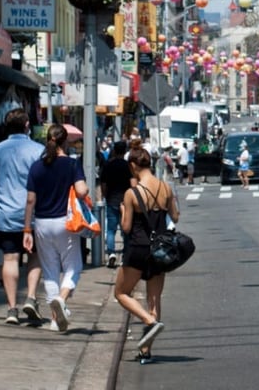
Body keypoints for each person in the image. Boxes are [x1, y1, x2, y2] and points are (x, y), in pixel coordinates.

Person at [114, 141, 180, 362]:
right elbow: (176, 216)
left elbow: (126, 227)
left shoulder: (132, 193)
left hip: (138, 247)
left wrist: (124, 210)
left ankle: (149, 321)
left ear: (133, 166)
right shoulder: (165, 188)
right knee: (155, 298)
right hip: (160, 248)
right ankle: (146, 351)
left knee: (121, 292)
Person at [22, 124, 89, 333]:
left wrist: (26, 230)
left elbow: (30, 200)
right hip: (65, 222)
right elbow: (81, 190)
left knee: (50, 272)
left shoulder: (36, 167)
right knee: (73, 267)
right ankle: (61, 299)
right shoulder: (71, 164)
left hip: (41, 223)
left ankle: (54, 320)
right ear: (64, 141)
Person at [0, 108, 45, 325]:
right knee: (35, 256)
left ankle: (11, 308)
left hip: (6, 212)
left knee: (10, 258)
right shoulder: (39, 150)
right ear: (27, 125)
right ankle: (31, 297)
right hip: (34, 213)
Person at [100, 140, 133, 269]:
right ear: (124, 151)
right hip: (125, 201)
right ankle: (125, 255)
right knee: (126, 229)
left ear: (114, 150)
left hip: (112, 200)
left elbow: (103, 183)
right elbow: (132, 183)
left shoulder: (109, 165)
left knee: (111, 230)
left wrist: (105, 195)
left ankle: (111, 253)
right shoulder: (127, 166)